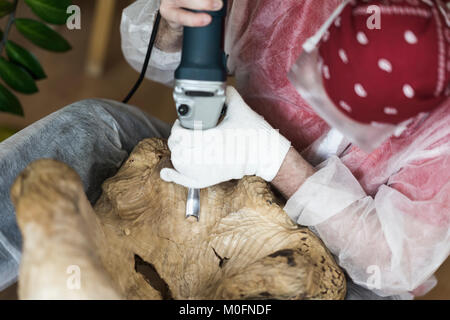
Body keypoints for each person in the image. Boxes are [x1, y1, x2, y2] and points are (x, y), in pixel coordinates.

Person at [121, 0, 450, 299]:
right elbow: (148, 57)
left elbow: (391, 262)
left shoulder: (443, 133)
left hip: (343, 255)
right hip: (225, 165)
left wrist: (272, 158)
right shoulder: (291, 7)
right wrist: (172, 26)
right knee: (90, 123)